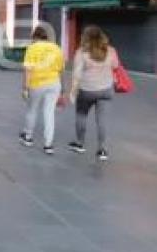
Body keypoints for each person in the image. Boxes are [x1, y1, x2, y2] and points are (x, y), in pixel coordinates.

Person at [67, 25, 119, 161]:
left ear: (85, 37)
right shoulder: (110, 50)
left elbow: (77, 74)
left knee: (81, 115)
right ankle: (102, 150)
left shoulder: (81, 52)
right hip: (106, 90)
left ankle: (79, 144)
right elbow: (116, 66)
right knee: (102, 120)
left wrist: (73, 92)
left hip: (87, 90)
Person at [19, 26, 65, 154]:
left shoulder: (32, 48)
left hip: (37, 84)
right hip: (54, 83)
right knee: (49, 113)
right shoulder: (56, 48)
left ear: (34, 37)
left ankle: (28, 137)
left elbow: (28, 70)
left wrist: (25, 88)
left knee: (32, 110)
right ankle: (48, 145)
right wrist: (63, 89)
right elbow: (61, 70)